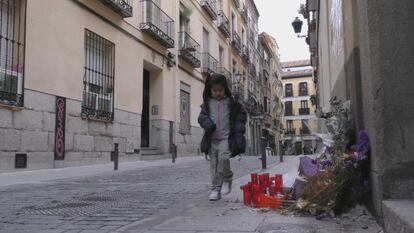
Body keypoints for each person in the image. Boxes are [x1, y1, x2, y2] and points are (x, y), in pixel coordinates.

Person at [198, 74, 247, 201]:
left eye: (220, 90)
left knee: (224, 159)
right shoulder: (207, 103)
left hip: (226, 138)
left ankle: (227, 177)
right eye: (215, 90)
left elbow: (241, 114)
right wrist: (207, 124)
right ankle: (215, 189)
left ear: (225, 89)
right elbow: (201, 117)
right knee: (214, 165)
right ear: (210, 90)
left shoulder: (231, 102)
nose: (217, 93)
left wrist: (238, 128)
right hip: (212, 139)